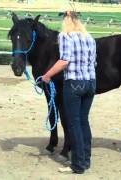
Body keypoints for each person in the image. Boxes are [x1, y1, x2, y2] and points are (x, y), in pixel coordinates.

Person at [42, 10, 96, 174]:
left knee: (73, 123)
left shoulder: (65, 37)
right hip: (90, 83)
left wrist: (48, 75)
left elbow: (64, 61)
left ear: (66, 22)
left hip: (73, 84)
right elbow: (94, 62)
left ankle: (78, 164)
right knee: (84, 121)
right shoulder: (89, 38)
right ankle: (86, 160)